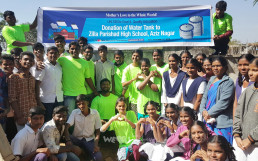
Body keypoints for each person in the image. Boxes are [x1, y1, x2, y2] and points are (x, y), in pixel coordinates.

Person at [200, 56, 234, 144]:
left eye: (218, 66)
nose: (215, 68)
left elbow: (224, 102)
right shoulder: (211, 79)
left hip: (221, 122)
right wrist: (203, 111)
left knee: (222, 148)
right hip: (207, 119)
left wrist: (209, 113)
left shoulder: (228, 82)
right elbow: (205, 97)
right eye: (213, 66)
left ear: (225, 67)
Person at [57, 41, 97, 113]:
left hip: (81, 94)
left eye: (76, 49)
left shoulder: (84, 63)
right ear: (69, 50)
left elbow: (88, 78)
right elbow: (52, 65)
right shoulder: (62, 59)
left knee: (82, 115)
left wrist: (94, 90)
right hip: (68, 94)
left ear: (80, 50)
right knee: (70, 116)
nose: (74, 51)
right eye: (72, 49)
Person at [8, 51, 42, 131]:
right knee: (23, 139)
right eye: (25, 59)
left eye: (30, 60)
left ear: (33, 62)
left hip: (33, 116)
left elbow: (34, 95)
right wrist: (19, 116)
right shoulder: (14, 77)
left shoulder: (32, 78)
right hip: (22, 116)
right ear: (20, 61)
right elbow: (12, 98)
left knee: (33, 138)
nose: (28, 62)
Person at [233, 58, 258, 161]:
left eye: (255, 70)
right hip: (241, 143)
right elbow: (238, 114)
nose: (251, 73)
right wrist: (237, 135)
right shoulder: (248, 91)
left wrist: (250, 139)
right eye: (250, 70)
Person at [65, 94, 103, 161]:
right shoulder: (75, 112)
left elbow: (98, 130)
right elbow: (66, 126)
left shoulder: (95, 113)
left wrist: (95, 144)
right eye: (79, 104)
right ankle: (83, 151)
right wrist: (68, 140)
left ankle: (85, 151)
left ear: (87, 102)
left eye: (83, 103)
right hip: (76, 139)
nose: (81, 106)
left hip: (89, 139)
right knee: (66, 137)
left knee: (98, 157)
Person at [36, 46, 63, 122]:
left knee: (58, 120)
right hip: (46, 100)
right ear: (47, 54)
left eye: (55, 53)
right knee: (48, 121)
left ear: (58, 55)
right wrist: (38, 100)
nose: (53, 55)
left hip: (59, 98)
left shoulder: (59, 66)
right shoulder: (42, 66)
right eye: (51, 53)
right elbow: (37, 84)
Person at [0, 55, 16, 142]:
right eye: (5, 64)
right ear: (1, 65)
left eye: (11, 64)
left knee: (11, 137)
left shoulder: (16, 77)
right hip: (3, 113)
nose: (8, 66)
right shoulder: (1, 77)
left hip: (14, 115)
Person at [122, 50, 142, 116]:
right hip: (134, 100)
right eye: (134, 55)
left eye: (137, 56)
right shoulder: (127, 69)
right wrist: (134, 79)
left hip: (144, 98)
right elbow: (123, 84)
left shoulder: (143, 67)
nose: (135, 58)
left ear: (141, 57)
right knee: (135, 120)